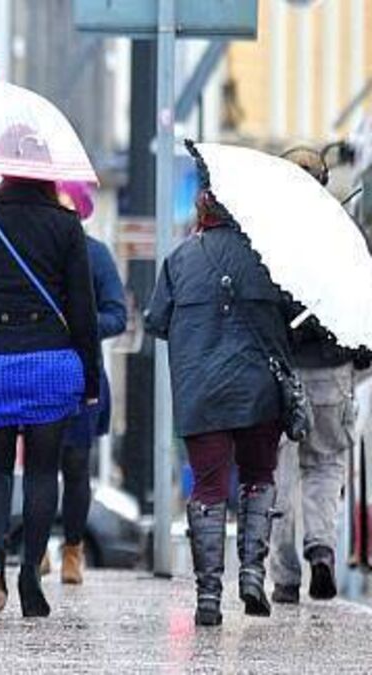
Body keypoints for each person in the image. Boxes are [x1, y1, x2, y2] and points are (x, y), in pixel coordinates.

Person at [0, 176, 100, 618]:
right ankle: (31, 570)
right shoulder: (66, 225)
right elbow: (83, 309)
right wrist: (90, 378)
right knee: (42, 471)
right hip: (50, 361)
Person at [146, 185, 293, 627]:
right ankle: (252, 575)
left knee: (208, 488)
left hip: (202, 392)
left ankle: (208, 596)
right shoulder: (270, 260)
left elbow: (156, 321)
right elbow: (293, 320)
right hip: (259, 392)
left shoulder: (179, 259)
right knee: (258, 477)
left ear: (203, 212)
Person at [269, 148, 370, 604]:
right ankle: (322, 548)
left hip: (282, 371)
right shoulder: (344, 236)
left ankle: (285, 576)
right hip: (332, 370)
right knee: (326, 464)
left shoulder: (266, 234)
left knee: (278, 472)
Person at [54, 182, 128, 585]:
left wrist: (79, 325)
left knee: (75, 464)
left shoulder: (95, 255)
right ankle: (37, 547)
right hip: (36, 369)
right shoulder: (36, 251)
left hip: (81, 374)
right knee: (38, 464)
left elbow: (117, 315)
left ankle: (73, 548)